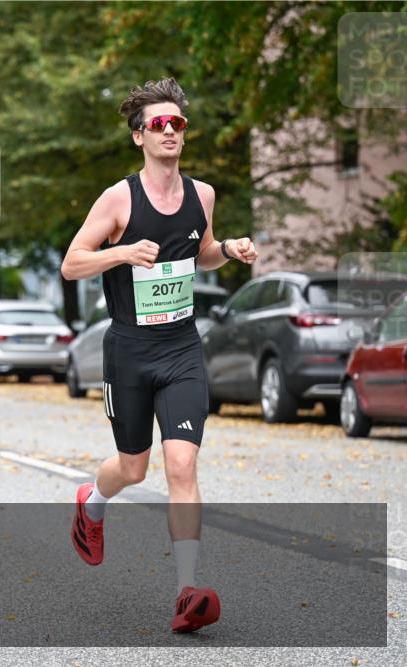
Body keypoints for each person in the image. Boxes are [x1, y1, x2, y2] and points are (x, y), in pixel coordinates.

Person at [60, 78, 258, 633]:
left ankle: (187, 591)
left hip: (181, 351)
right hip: (128, 351)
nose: (170, 131)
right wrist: (122, 252)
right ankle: (92, 501)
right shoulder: (119, 198)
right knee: (132, 466)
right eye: (158, 124)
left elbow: (204, 254)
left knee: (181, 465)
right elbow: (72, 264)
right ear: (138, 137)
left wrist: (230, 251)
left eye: (178, 124)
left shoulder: (204, 195)